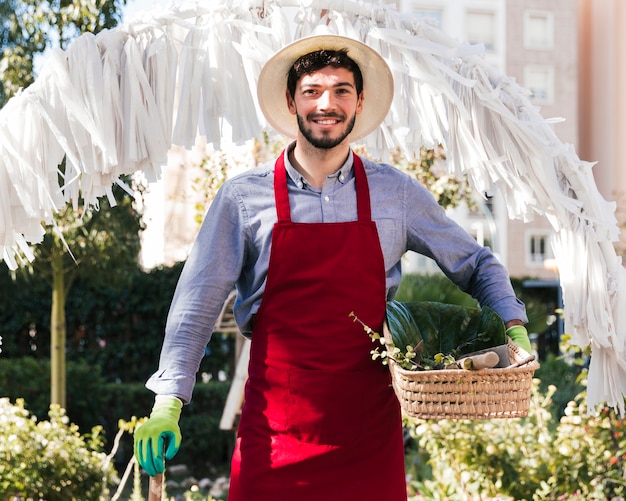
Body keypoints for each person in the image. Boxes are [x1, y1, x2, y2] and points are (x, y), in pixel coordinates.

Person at [134, 33, 530, 501]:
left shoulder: (396, 194)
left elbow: (476, 262)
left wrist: (513, 324)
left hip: (368, 438)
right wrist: (167, 402)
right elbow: (195, 307)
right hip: (273, 438)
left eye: (342, 90)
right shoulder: (243, 198)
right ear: (291, 101)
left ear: (359, 102)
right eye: (313, 91)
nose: (328, 103)